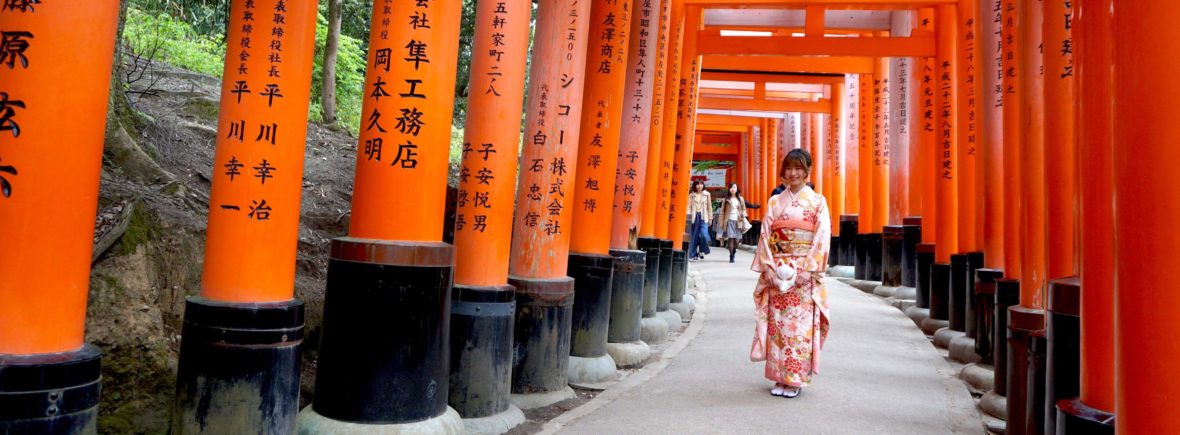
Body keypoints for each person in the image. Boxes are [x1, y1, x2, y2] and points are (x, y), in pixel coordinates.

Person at [750, 148, 831, 399]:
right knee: (778, 327)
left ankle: (795, 379)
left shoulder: (818, 202)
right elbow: (765, 235)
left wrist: (809, 270)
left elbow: (822, 237)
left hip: (803, 274)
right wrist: (770, 269)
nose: (793, 173)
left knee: (798, 328)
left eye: (799, 168)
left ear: (807, 171)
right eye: (789, 168)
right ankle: (778, 376)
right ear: (784, 171)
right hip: (778, 271)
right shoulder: (775, 201)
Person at [716, 183, 748, 263]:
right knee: (730, 238)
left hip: (738, 221)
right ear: (729, 189)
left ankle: (734, 251)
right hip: (729, 220)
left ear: (737, 189)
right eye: (731, 187)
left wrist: (743, 215)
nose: (732, 189)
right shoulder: (726, 199)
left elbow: (744, 209)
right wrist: (721, 221)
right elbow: (722, 212)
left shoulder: (741, 199)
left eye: (734, 187)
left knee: (737, 241)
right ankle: (731, 255)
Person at [686, 181, 713, 261]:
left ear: (703, 185)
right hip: (694, 217)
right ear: (695, 186)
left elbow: (709, 207)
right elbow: (689, 207)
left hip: (704, 217)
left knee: (704, 235)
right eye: (697, 184)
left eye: (701, 184)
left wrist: (710, 218)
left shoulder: (707, 194)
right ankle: (694, 254)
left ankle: (702, 250)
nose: (699, 186)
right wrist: (688, 217)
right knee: (694, 236)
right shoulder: (691, 195)